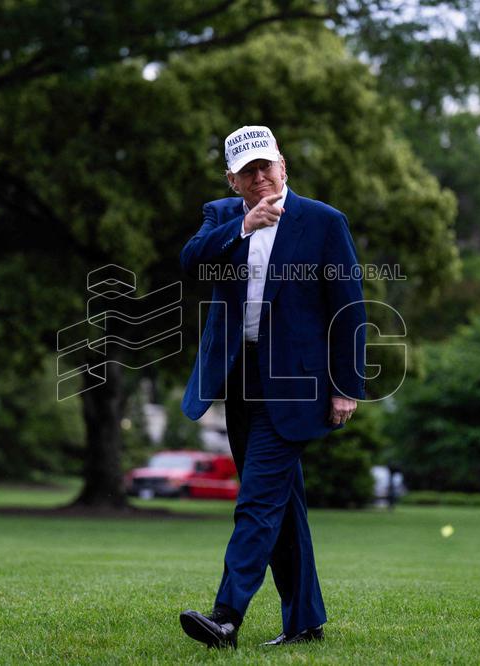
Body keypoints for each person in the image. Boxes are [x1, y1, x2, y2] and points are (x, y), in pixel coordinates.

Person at [178, 125, 367, 648]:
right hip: (239, 378)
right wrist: (242, 227)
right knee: (283, 507)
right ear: (233, 180)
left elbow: (349, 308)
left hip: (297, 383)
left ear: (283, 165)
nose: (260, 177)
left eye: (267, 166)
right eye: (247, 171)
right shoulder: (221, 216)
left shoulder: (324, 222)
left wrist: (345, 385)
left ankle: (226, 616)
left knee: (258, 499)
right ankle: (305, 623)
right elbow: (190, 262)